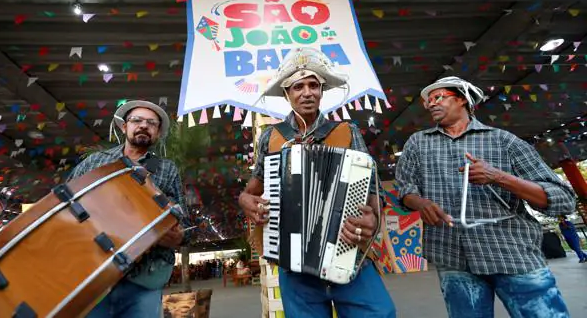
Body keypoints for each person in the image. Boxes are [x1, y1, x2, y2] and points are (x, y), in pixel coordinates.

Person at [395, 76, 576, 318]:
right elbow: (405, 188)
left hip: (512, 254)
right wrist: (420, 202)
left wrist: (499, 177)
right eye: (428, 101)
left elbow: (563, 199)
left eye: (438, 97)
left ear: (461, 99)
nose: (430, 104)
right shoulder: (418, 143)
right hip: (452, 256)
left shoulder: (504, 141)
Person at [239, 47, 396, 318]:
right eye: (298, 86)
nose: (307, 92)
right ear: (287, 94)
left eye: (313, 85)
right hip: (292, 259)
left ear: (322, 91)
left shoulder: (347, 132)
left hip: (348, 250)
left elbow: (373, 192)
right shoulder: (271, 137)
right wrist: (244, 200)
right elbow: (252, 189)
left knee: (380, 313)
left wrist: (373, 220)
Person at [66, 100, 188, 318]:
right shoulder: (95, 162)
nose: (143, 125)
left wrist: (177, 237)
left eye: (151, 123)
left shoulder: (167, 169)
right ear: (124, 127)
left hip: (144, 281)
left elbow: (184, 223)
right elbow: (65, 202)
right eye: (137, 120)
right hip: (95, 275)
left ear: (157, 133)